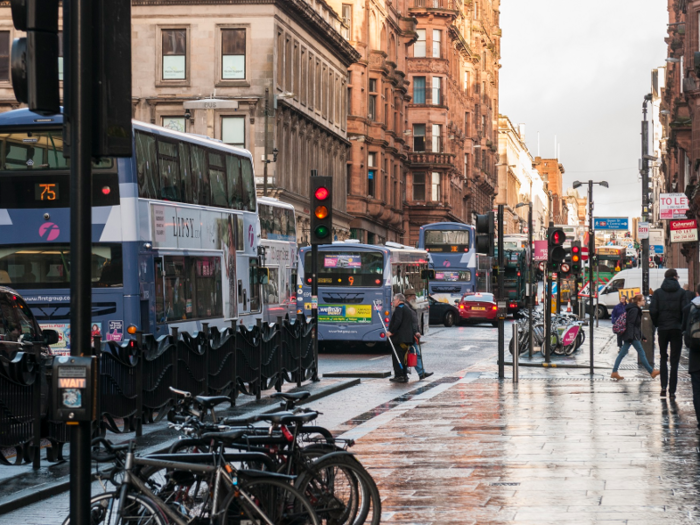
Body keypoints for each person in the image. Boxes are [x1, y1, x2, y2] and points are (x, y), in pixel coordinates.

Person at [650, 268, 689, 399]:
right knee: (674, 361)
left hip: (663, 329)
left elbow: (653, 311)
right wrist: (681, 326)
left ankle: (663, 387)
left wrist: (657, 323)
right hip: (676, 329)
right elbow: (685, 311)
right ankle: (672, 391)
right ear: (675, 277)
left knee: (663, 357)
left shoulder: (657, 293)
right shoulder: (682, 293)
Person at [611, 294, 660, 381]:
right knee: (641, 353)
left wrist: (642, 336)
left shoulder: (634, 309)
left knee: (622, 353)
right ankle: (651, 371)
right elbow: (631, 324)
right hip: (632, 336)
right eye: (643, 300)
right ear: (638, 302)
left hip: (632, 335)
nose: (644, 301)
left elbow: (635, 326)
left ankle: (614, 372)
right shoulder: (634, 310)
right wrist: (631, 337)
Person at [404, 289, 433, 380]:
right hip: (409, 335)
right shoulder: (407, 307)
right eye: (414, 296)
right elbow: (408, 323)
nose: (415, 297)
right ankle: (419, 373)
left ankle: (420, 373)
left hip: (411, 335)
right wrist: (415, 332)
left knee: (414, 354)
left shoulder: (411, 306)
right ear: (409, 296)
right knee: (412, 354)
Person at [682, 284, 700, 434]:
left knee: (697, 391)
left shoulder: (689, 308)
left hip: (695, 356)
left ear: (697, 292)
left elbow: (685, 332)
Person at [386, 293, 413, 383]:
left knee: (397, 357)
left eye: (394, 300)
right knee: (403, 358)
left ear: (398, 300)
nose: (393, 302)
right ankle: (404, 375)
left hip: (399, 338)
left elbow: (397, 321)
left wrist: (391, 331)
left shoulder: (399, 309)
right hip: (407, 338)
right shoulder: (407, 308)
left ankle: (399, 375)